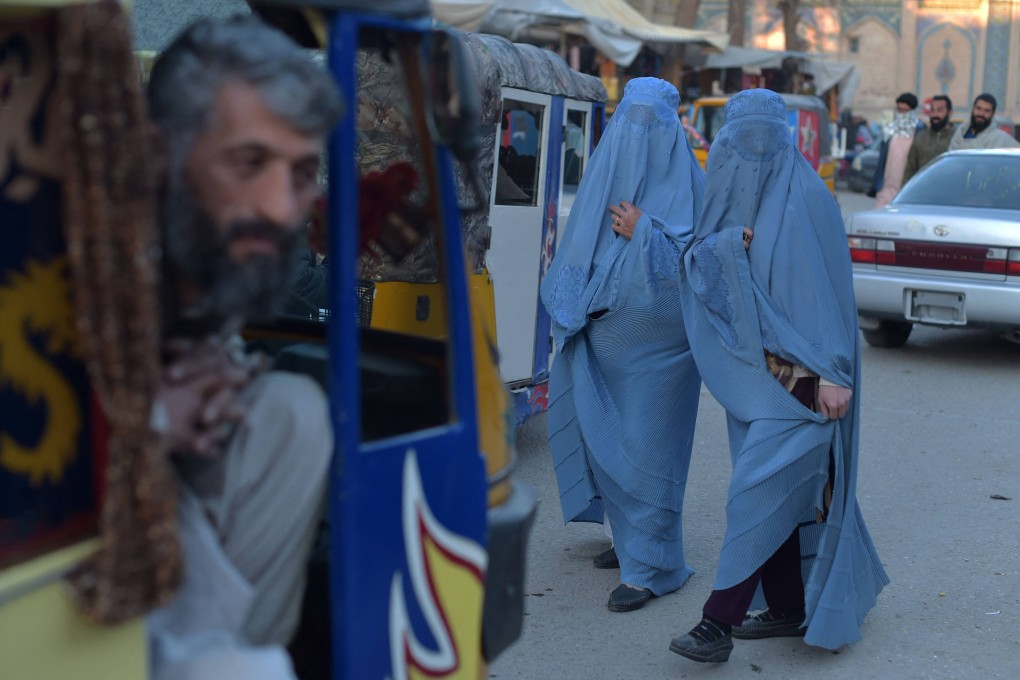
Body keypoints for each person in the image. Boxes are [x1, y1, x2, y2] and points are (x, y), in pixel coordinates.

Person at [145, 16, 343, 679]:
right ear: (159, 155)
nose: (282, 205)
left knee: (289, 409)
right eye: (249, 162)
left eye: (301, 172)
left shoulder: (208, 273)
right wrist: (139, 426)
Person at [670, 89, 888, 663]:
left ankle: (717, 623)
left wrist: (837, 372)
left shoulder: (806, 199)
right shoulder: (739, 198)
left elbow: (825, 300)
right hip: (756, 382)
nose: (753, 153)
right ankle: (790, 605)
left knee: (753, 495)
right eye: (743, 140)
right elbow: (696, 260)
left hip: (811, 385)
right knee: (784, 498)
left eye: (766, 139)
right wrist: (725, 251)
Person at [540, 77, 704, 613]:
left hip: (665, 353)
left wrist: (647, 233)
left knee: (650, 446)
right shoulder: (603, 174)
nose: (639, 137)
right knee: (603, 436)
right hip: (603, 338)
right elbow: (580, 240)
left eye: (651, 125)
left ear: (672, 130)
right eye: (630, 123)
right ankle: (626, 539)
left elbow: (707, 266)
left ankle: (654, 566)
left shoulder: (693, 186)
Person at [875, 92, 920, 207]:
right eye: (899, 110)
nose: (901, 114)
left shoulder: (920, 132)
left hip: (907, 190)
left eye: (905, 111)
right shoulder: (890, 130)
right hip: (885, 188)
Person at [902, 94, 955, 185]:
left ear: (949, 113)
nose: (935, 114)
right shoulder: (921, 138)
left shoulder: (957, 138)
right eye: (932, 110)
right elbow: (910, 170)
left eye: (940, 110)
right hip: (923, 192)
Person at [948, 93, 1020, 150]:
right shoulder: (961, 132)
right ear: (973, 109)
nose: (981, 114)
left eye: (987, 111)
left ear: (992, 114)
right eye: (978, 108)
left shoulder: (999, 138)